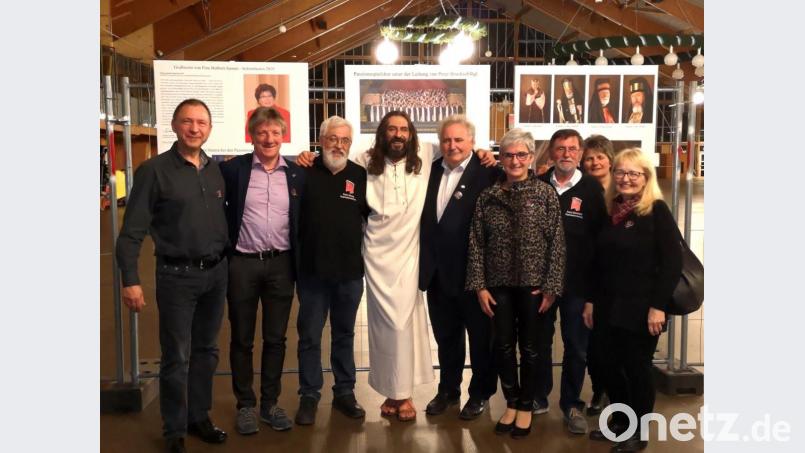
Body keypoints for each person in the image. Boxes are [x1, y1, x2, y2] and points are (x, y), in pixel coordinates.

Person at [294, 111, 495, 422]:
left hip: (409, 254)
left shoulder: (427, 154)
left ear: (411, 133)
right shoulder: (364, 159)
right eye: (391, 129)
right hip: (375, 256)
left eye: (403, 129)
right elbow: (335, 156)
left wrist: (483, 152)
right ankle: (391, 393)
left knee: (405, 325)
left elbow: (459, 147)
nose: (398, 134)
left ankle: (405, 394)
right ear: (382, 133)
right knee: (381, 329)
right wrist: (309, 155)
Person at [116, 98, 229, 453]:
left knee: (206, 352)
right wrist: (130, 279)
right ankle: (174, 430)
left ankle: (198, 416)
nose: (195, 128)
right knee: (176, 357)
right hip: (176, 276)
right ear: (175, 125)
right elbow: (131, 231)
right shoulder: (154, 170)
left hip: (215, 275)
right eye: (187, 121)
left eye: (201, 122)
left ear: (209, 128)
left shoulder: (214, 168)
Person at [466, 128, 565, 439]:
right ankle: (510, 401)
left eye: (521, 154)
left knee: (533, 349)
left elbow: (557, 244)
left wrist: (551, 286)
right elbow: (476, 243)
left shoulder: (545, 194)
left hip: (536, 286)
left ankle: (526, 404)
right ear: (501, 158)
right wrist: (480, 286)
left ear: (531, 158)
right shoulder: (489, 196)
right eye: (509, 155)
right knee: (504, 346)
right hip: (498, 286)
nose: (515, 160)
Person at [586, 148, 682, 452]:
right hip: (607, 305)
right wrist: (590, 301)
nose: (626, 178)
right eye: (621, 172)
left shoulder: (656, 211)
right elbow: (597, 262)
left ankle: (637, 432)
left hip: (642, 308)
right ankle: (621, 421)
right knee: (607, 365)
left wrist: (659, 307)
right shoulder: (609, 210)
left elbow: (672, 263)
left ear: (646, 178)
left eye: (633, 173)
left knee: (637, 369)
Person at [220, 107, 305, 434]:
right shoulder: (234, 171)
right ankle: (245, 405)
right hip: (241, 263)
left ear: (283, 135)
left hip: (281, 265)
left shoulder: (296, 174)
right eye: (262, 133)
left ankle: (270, 404)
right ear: (251, 135)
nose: (269, 139)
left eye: (275, 133)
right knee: (241, 339)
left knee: (276, 338)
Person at [419, 115, 501, 420]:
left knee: (482, 339)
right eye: (447, 140)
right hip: (438, 274)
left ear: (472, 142)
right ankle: (448, 390)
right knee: (446, 338)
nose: (452, 145)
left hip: (475, 276)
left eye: (458, 140)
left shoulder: (489, 173)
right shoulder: (429, 172)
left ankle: (480, 393)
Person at [294, 116, 369, 426]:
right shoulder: (303, 171)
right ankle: (310, 395)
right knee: (309, 337)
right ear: (320, 140)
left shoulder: (360, 175)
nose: (338, 145)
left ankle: (344, 392)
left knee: (344, 335)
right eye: (332, 139)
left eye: (345, 140)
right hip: (312, 274)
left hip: (349, 274)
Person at [532, 129, 608, 435]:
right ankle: (539, 395)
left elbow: (601, 243)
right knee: (539, 343)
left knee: (577, 347)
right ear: (551, 153)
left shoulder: (592, 190)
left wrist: (594, 294)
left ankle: (571, 402)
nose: (566, 153)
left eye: (572, 149)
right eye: (560, 148)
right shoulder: (536, 185)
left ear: (579, 154)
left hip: (579, 285)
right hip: (541, 285)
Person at [580, 133, 615, 416]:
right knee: (593, 342)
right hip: (590, 277)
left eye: (599, 157)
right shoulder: (584, 192)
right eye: (589, 157)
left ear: (610, 160)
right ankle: (599, 389)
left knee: (614, 340)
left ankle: (616, 395)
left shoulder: (624, 191)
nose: (594, 162)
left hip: (618, 281)